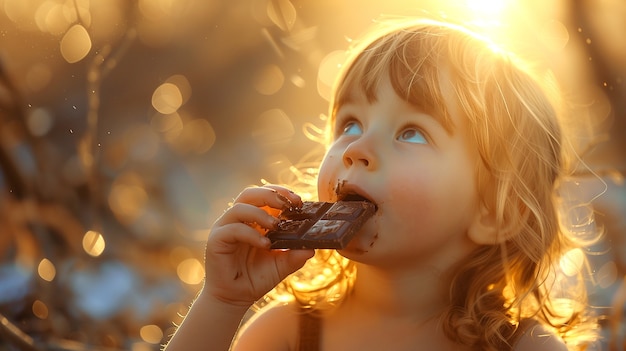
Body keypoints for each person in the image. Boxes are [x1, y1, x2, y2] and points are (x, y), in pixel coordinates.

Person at [164, 18, 599, 351]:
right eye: (350, 123)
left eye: (412, 132)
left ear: (495, 212)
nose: (358, 147)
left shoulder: (519, 346)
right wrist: (221, 303)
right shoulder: (292, 334)